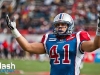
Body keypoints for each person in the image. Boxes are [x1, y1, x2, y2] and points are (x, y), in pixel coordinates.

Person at [5, 13, 100, 75]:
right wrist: (14, 30)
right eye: (58, 25)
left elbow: (95, 45)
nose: (60, 27)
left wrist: (99, 31)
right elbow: (27, 47)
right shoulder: (49, 39)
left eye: (63, 24)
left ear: (69, 26)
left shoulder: (78, 38)